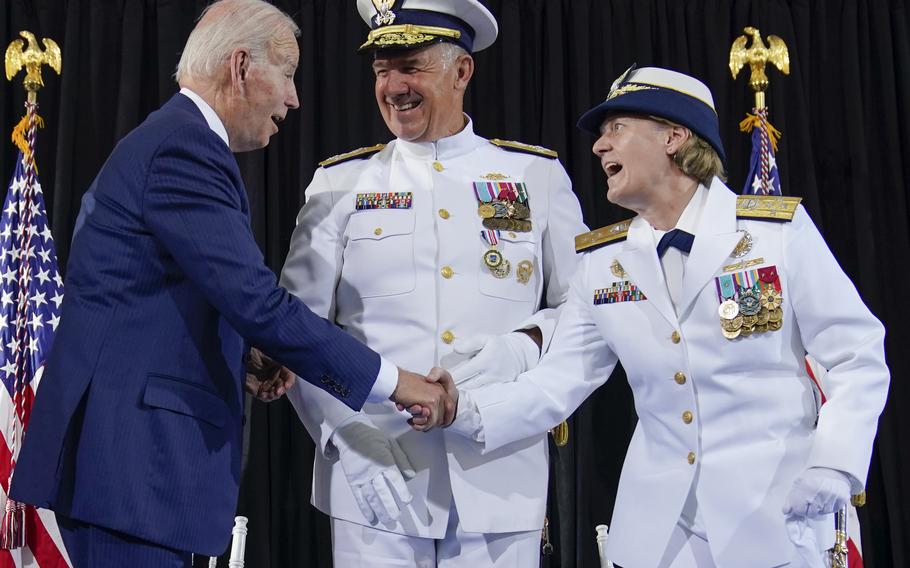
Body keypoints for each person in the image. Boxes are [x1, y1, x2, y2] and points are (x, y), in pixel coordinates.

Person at [8, 1, 452, 566]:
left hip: (133, 476)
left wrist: (244, 355)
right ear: (240, 66)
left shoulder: (175, 140)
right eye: (288, 75)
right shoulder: (184, 148)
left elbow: (156, 295)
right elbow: (259, 303)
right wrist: (396, 383)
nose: (293, 99)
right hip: (134, 471)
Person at [437, 66, 890, 567]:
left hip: (777, 520)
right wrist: (463, 411)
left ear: (674, 136)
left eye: (617, 129)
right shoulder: (601, 264)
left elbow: (856, 356)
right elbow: (556, 383)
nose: (599, 147)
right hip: (659, 537)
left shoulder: (775, 234)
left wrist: (834, 463)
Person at [280, 0, 586, 565]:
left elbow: (586, 310)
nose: (393, 86)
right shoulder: (338, 182)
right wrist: (347, 437)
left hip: (500, 478)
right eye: (381, 70)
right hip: (375, 479)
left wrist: (527, 344)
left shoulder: (534, 176)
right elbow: (295, 328)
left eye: (411, 66)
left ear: (462, 70)